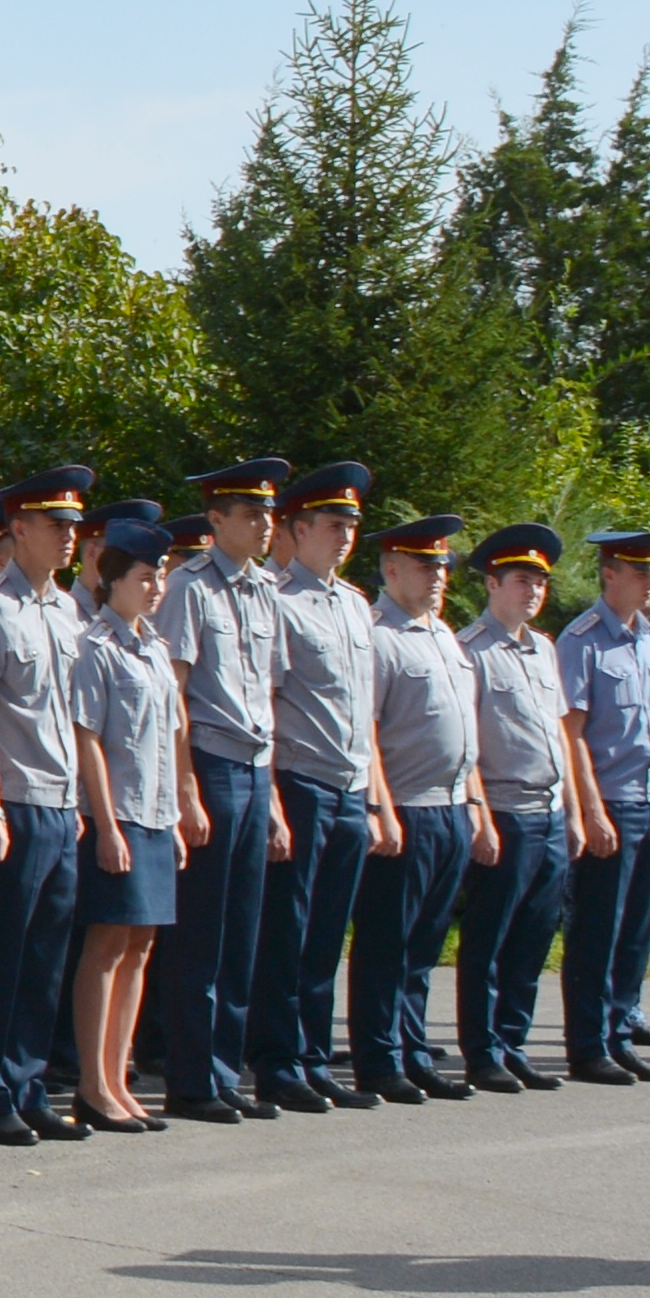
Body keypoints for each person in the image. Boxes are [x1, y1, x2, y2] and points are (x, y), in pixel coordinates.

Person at [0, 469, 97, 1145]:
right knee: (2, 958)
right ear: (18, 530)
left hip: (61, 801)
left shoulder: (67, 610)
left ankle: (29, 1082)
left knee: (45, 958)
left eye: (73, 527)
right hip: (14, 800)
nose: (69, 537)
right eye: (55, 526)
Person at [258, 466, 394, 1108]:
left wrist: (370, 795)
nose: (344, 537)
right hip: (303, 779)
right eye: (333, 526)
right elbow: (271, 700)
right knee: (289, 931)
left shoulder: (356, 605)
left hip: (347, 783)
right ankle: (279, 1061)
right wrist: (278, 801)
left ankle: (313, 1056)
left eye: (351, 527)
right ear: (299, 529)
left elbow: (362, 708)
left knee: (326, 933)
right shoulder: (281, 604)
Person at [157, 458, 288, 1118]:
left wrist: (275, 801)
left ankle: (225, 1072)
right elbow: (175, 693)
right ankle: (191, 1079)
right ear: (215, 520)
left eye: (269, 514)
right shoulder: (189, 587)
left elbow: (269, 690)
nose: (265, 525)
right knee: (201, 934)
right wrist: (185, 787)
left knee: (242, 932)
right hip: (208, 761)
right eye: (250, 514)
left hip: (255, 767)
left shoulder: (267, 590)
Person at [353, 516, 494, 1101]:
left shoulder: (446, 636)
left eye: (441, 567)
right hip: (406, 808)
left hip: (452, 805)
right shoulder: (380, 634)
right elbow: (370, 730)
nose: (437, 576)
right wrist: (380, 807)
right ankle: (379, 1059)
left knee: (425, 945)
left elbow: (466, 733)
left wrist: (477, 804)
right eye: (424, 566)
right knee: (389, 942)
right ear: (391, 569)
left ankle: (412, 1051)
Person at [63, 512, 190, 1132]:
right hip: (117, 814)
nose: (156, 587)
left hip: (154, 814)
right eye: (145, 577)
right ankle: (92, 1082)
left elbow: (169, 736)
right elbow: (88, 740)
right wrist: (108, 824)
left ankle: (119, 1073)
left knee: (141, 948)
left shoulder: (155, 648)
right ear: (112, 581)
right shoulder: (97, 647)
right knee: (108, 945)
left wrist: (175, 811)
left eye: (159, 576)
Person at [456, 527, 583, 1094]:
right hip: (505, 811)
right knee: (489, 938)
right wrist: (480, 812)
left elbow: (558, 734)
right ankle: (482, 1052)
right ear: (492, 583)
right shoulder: (471, 649)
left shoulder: (545, 648)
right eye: (521, 580)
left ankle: (512, 1041)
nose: (532, 591)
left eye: (539, 582)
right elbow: (467, 744)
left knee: (533, 938)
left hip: (550, 811)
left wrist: (575, 811)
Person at [557, 533, 650, 1085]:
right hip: (611, 800)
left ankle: (619, 1033)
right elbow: (573, 733)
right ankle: (587, 1045)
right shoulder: (582, 640)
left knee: (636, 931)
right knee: (598, 931)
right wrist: (591, 810)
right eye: (642, 571)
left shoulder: (649, 640)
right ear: (610, 574)